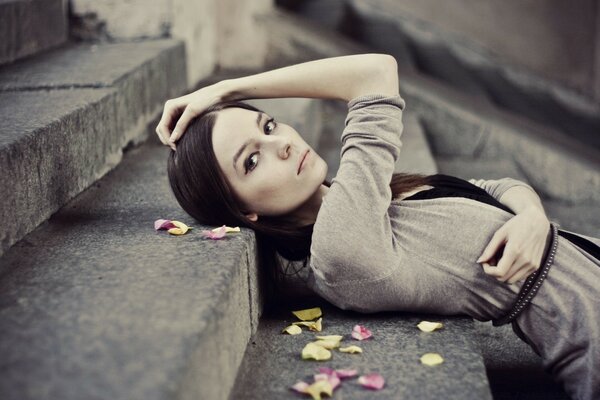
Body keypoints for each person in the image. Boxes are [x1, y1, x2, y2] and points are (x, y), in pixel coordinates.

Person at [155, 54, 599, 400]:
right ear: (244, 213)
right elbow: (376, 71)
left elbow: (497, 186)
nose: (283, 145)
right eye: (252, 160)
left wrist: (532, 219)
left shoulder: (368, 198)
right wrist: (228, 88)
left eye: (269, 125)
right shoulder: (341, 246)